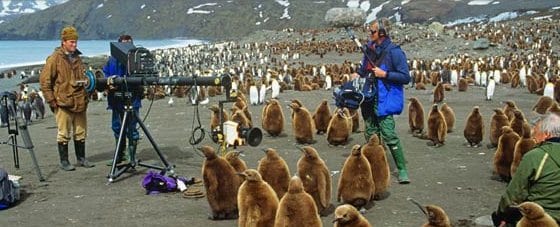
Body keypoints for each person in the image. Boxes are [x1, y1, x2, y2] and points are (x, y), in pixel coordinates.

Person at [352, 18, 411, 184]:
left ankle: (401, 169)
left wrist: (385, 74)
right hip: (368, 96)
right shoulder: (369, 50)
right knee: (371, 133)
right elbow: (363, 69)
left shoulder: (394, 52)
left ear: (382, 33)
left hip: (384, 98)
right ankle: (375, 167)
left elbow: (406, 77)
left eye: (372, 31)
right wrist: (358, 74)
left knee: (389, 133)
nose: (369, 34)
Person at [39, 26, 94, 171]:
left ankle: (81, 158)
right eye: (71, 42)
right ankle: (64, 161)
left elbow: (85, 77)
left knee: (80, 132)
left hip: (80, 100)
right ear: (63, 42)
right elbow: (45, 81)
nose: (74, 45)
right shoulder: (54, 59)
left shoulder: (77, 58)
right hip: (63, 101)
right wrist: (52, 101)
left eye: (75, 42)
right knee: (63, 133)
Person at [492, 113, 560, 226]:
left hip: (540, 218)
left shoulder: (537, 156)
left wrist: (501, 216)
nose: (533, 137)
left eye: (536, 133)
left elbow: (515, 192)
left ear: (547, 134)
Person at [102, 35, 142, 166]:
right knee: (117, 127)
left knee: (132, 129)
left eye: (129, 44)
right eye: (123, 44)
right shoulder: (111, 61)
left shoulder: (136, 60)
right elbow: (104, 75)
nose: (126, 47)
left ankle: (131, 157)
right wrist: (108, 83)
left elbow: (141, 78)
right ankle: (119, 155)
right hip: (116, 100)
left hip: (132, 99)